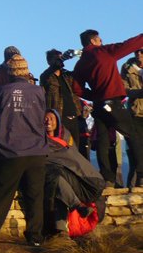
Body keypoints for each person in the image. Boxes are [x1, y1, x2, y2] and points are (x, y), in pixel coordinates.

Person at [0, 56, 48, 246]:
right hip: (37, 150)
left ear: (9, 72)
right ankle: (35, 237)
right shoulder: (39, 91)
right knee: (35, 196)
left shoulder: (2, 92)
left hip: (11, 150)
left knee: (1, 194)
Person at [72, 30, 143, 187]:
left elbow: (76, 88)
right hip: (114, 103)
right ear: (93, 41)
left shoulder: (81, 63)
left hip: (99, 105)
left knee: (104, 140)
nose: (102, 41)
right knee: (133, 134)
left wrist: (94, 95)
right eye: (99, 39)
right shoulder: (104, 52)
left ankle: (108, 178)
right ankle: (141, 173)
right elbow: (128, 45)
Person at [43, 110, 106, 237]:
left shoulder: (66, 139)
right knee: (56, 180)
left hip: (71, 176)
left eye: (52, 118)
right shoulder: (38, 141)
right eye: (45, 118)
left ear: (58, 122)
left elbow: (75, 160)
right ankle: (74, 211)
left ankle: (63, 230)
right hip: (51, 178)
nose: (48, 121)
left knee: (58, 181)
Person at [39, 49, 82, 149]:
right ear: (49, 61)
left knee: (76, 148)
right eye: (57, 59)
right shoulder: (46, 76)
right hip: (59, 117)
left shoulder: (67, 75)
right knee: (62, 147)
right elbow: (54, 67)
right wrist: (63, 59)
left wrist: (81, 57)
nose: (60, 61)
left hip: (74, 116)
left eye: (61, 58)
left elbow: (81, 73)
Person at [121, 49, 143, 186]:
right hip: (136, 111)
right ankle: (139, 179)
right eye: (136, 52)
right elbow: (123, 88)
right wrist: (139, 93)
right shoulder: (127, 67)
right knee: (137, 148)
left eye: (141, 51)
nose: (139, 54)